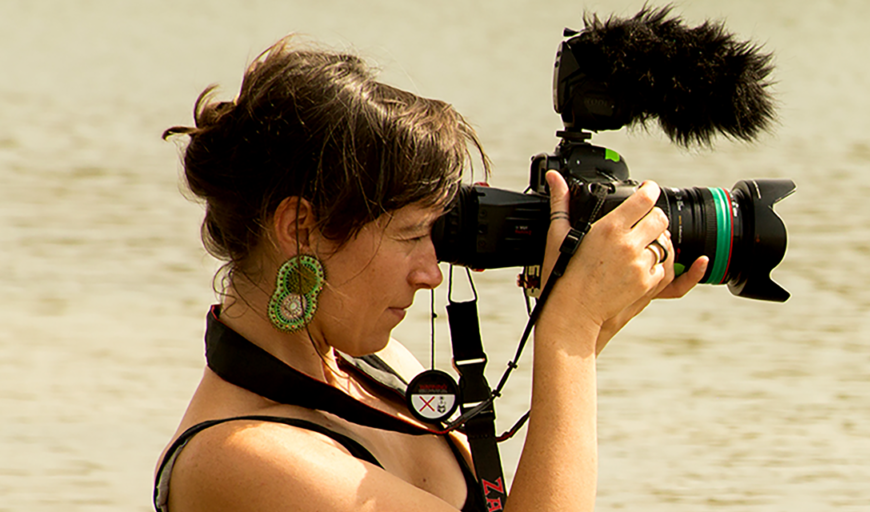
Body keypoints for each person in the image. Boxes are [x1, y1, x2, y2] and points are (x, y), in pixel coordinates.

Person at [154, 35, 708, 512]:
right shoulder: (235, 457)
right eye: (412, 234)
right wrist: (571, 333)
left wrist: (590, 310)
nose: (431, 273)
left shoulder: (374, 363)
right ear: (300, 227)